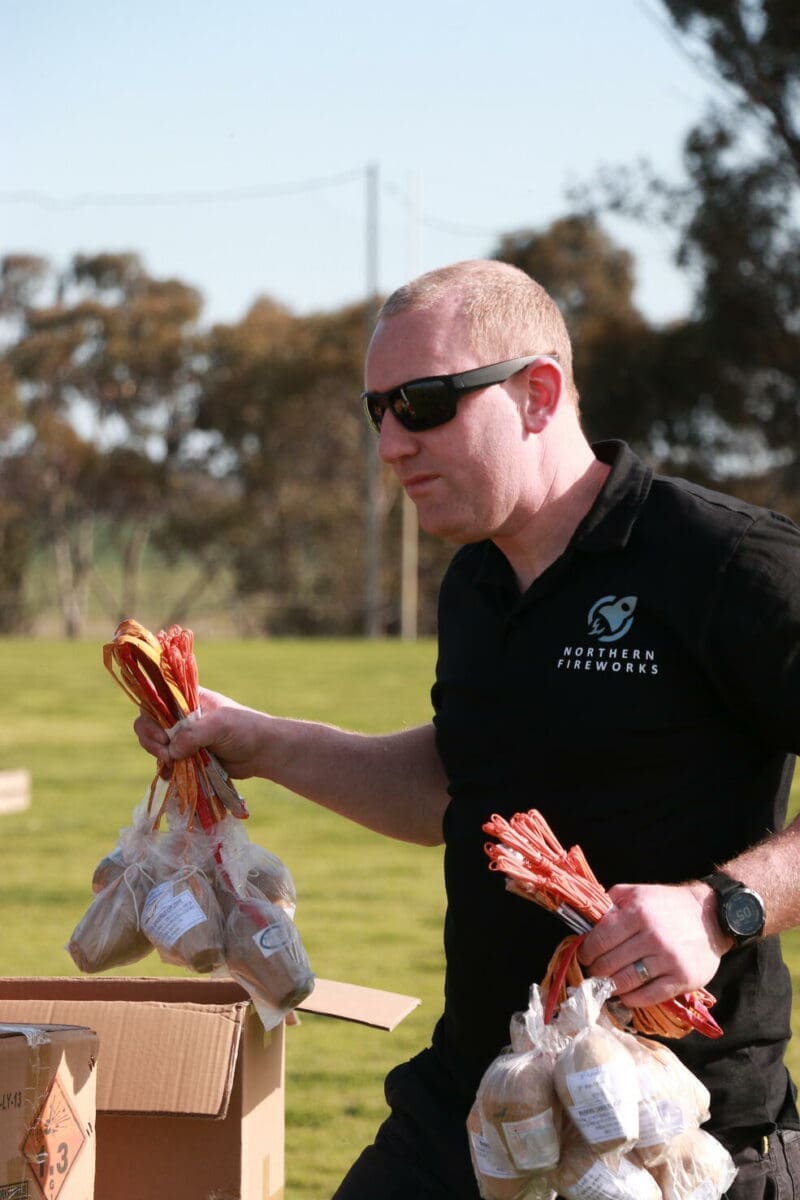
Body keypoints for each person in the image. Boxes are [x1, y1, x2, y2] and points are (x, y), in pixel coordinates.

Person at [135, 259, 800, 1199]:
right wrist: (262, 741)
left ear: (539, 393)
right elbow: (464, 785)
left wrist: (720, 909)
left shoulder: (724, 561)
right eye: (378, 411)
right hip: (479, 1106)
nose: (392, 444)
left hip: (669, 1134)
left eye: (425, 402)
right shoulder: (479, 584)